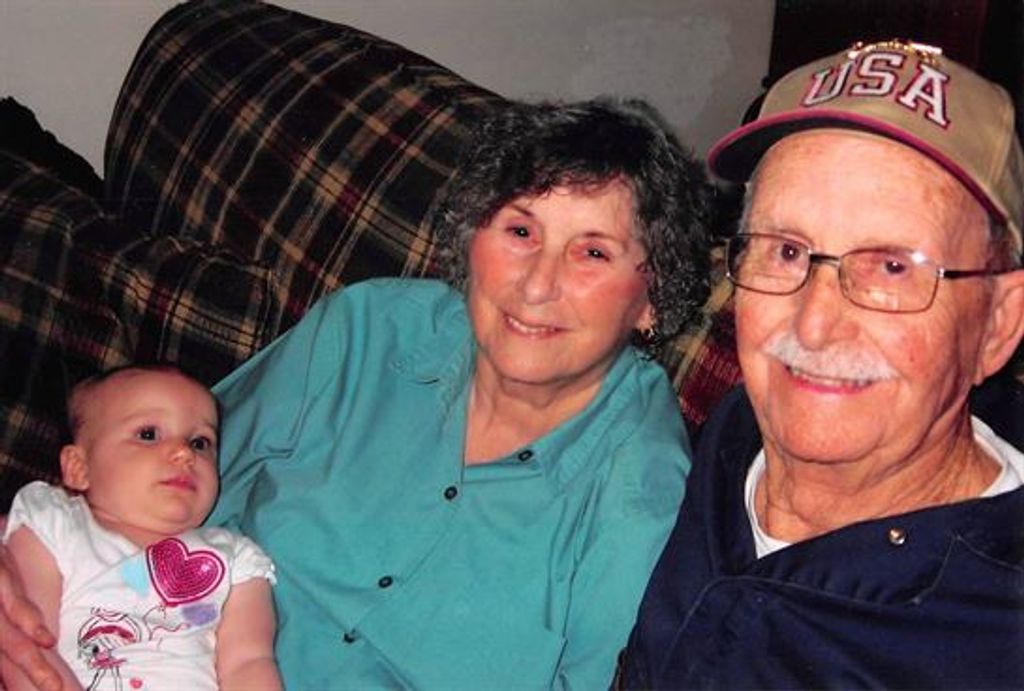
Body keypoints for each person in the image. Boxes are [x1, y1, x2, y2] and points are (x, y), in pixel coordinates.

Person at [1, 98, 713, 690]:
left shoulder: (641, 488)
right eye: (520, 230)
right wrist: (17, 578)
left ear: (652, 298)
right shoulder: (366, 330)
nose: (537, 284)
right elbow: (146, 480)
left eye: (593, 252)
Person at [618, 39, 1024, 688]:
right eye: (785, 250)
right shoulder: (740, 428)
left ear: (998, 323)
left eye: (892, 266)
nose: (812, 325)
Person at [1, 365, 281, 691]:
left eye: (200, 442)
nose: (184, 453)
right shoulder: (53, 522)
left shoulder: (235, 559)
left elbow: (249, 661)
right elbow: (32, 636)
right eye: (148, 434)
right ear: (79, 467)